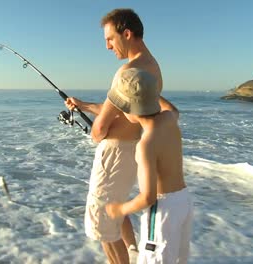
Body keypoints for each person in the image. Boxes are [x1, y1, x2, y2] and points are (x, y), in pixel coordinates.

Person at [65, 8, 178, 264]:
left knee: (102, 224)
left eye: (110, 39)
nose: (107, 46)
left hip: (114, 155)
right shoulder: (152, 67)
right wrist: (83, 106)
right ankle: (133, 252)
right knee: (116, 211)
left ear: (126, 34)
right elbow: (123, 111)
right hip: (131, 152)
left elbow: (99, 129)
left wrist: (95, 134)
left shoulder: (126, 72)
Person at [105, 69, 193, 264]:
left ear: (130, 109)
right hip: (184, 202)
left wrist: (120, 209)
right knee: (178, 258)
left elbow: (147, 197)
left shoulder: (146, 145)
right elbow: (173, 109)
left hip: (163, 210)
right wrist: (148, 91)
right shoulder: (168, 119)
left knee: (154, 259)